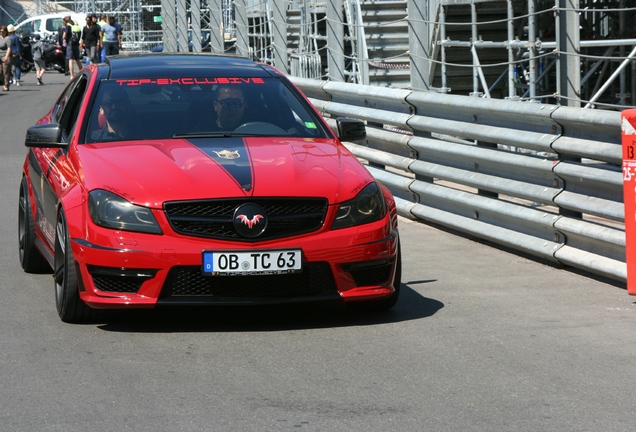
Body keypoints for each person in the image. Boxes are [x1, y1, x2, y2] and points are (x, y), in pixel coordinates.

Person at [0, 25, 11, 91]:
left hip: (5, 56)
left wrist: (6, 57)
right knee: (0, 72)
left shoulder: (8, 39)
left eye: (3, 32)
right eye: (0, 31)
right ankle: (3, 82)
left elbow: (9, 48)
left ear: (6, 32)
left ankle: (6, 85)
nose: (1, 33)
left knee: (5, 71)